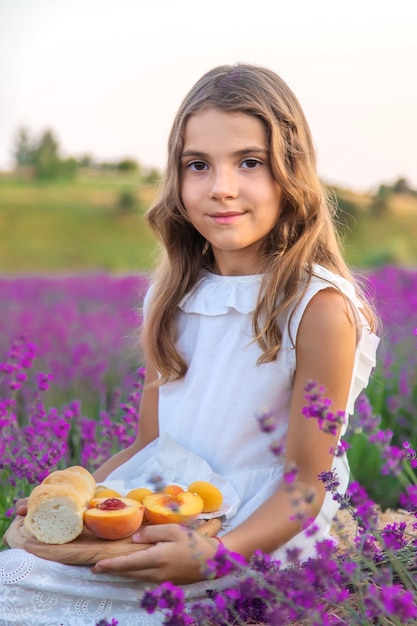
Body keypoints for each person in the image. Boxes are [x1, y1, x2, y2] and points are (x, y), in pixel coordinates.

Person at [0, 63, 379, 625]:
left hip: (260, 534)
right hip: (172, 509)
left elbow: (307, 483)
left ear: (289, 172)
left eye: (249, 162)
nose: (221, 186)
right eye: (197, 165)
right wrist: (84, 496)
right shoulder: (172, 296)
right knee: (17, 578)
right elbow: (151, 442)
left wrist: (216, 555)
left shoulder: (318, 308)